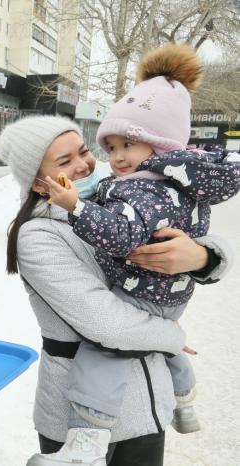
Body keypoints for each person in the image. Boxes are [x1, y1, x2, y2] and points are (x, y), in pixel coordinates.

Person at [41, 43, 240, 465]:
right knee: (147, 340)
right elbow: (105, 316)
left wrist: (203, 257)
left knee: (101, 352)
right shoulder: (168, 185)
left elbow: (119, 234)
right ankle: (185, 393)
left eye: (126, 146)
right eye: (108, 148)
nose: (111, 159)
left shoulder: (144, 192)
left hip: (144, 310)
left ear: (158, 145)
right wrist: (172, 332)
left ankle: (87, 441)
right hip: (157, 318)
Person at [0, 115, 233, 466]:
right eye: (65, 162)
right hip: (79, 420)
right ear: (38, 183)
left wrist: (201, 256)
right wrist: (171, 335)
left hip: (148, 405)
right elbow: (106, 323)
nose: (84, 164)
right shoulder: (39, 235)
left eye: (83, 151)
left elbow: (184, 221)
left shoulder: (121, 197)